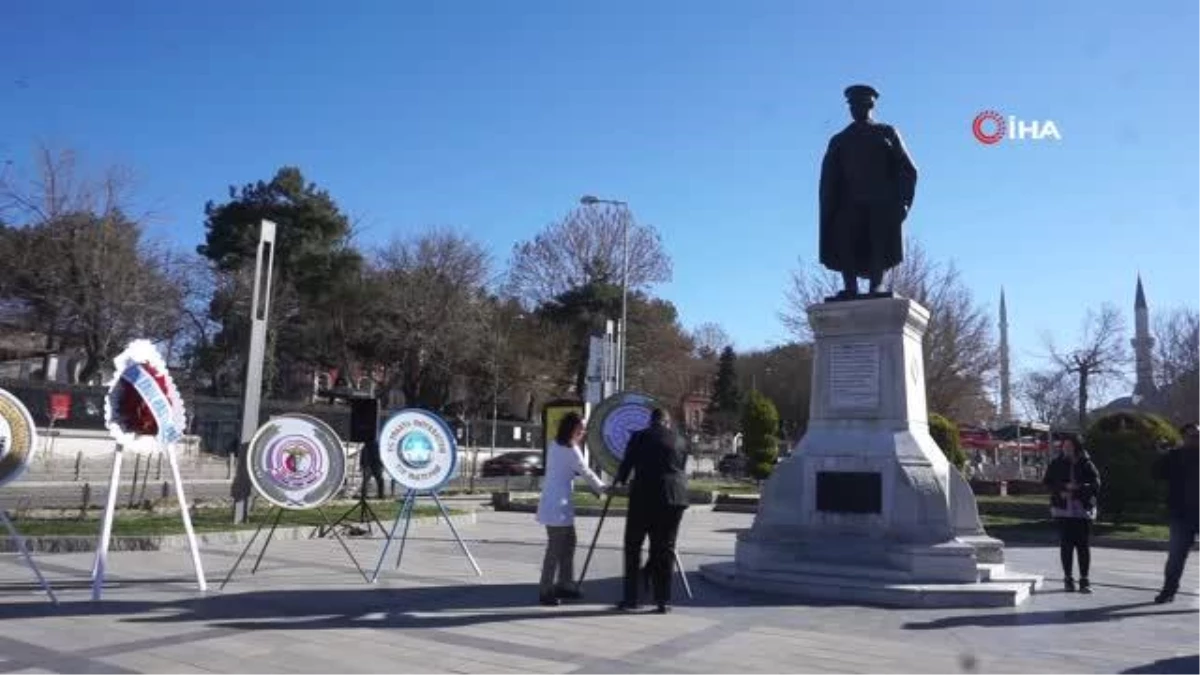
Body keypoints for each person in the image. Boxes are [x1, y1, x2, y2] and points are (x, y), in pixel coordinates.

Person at [818, 84, 918, 299]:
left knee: (878, 242)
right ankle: (850, 286)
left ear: (870, 106)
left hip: (880, 201)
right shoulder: (840, 139)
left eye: (862, 105)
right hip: (848, 203)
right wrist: (830, 206)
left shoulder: (886, 132)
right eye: (853, 105)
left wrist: (904, 201)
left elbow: (907, 169)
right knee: (846, 241)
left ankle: (877, 284)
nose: (856, 109)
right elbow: (829, 177)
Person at [615, 408, 689, 613]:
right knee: (664, 548)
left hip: (645, 497)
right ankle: (662, 600)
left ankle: (632, 598)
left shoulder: (640, 436)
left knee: (633, 545)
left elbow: (627, 464)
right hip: (675, 498)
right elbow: (680, 466)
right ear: (667, 422)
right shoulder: (681, 440)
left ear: (651, 421)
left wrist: (620, 480)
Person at [535, 412, 606, 607]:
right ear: (571, 429)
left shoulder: (554, 444)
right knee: (555, 549)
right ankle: (545, 590)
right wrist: (602, 488)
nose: (583, 432)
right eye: (580, 429)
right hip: (557, 505)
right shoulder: (571, 449)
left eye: (583, 429)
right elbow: (586, 471)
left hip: (556, 503)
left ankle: (565, 583)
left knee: (569, 543)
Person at [1042, 434, 1101, 593]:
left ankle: (1084, 579)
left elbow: (1096, 484)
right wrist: (1061, 489)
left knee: (1082, 546)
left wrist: (1079, 488)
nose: (1066, 449)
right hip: (1062, 510)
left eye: (1070, 446)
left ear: (1077, 447)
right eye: (1064, 446)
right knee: (1066, 545)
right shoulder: (1056, 463)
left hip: (1082, 510)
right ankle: (1068, 578)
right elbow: (1047, 483)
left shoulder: (1086, 463)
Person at [1153, 422, 1200, 604]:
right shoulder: (1175, 456)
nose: (1196, 439)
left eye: (1199, 436)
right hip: (1182, 514)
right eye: (1192, 436)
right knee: (1176, 555)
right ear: (1184, 438)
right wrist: (1162, 456)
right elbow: (1156, 474)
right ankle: (1168, 591)